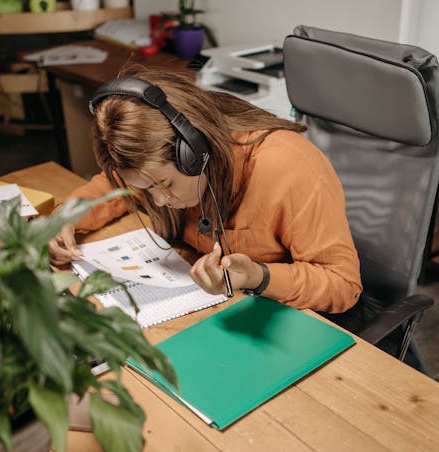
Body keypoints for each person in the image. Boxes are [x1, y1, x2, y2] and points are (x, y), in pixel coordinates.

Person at [49, 65, 362, 314]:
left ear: (193, 153)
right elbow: (111, 187)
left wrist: (259, 276)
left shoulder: (288, 167)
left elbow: (342, 285)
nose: (158, 200)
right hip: (209, 307)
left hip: (280, 319)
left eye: (165, 184)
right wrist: (65, 217)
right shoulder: (155, 167)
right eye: (146, 188)